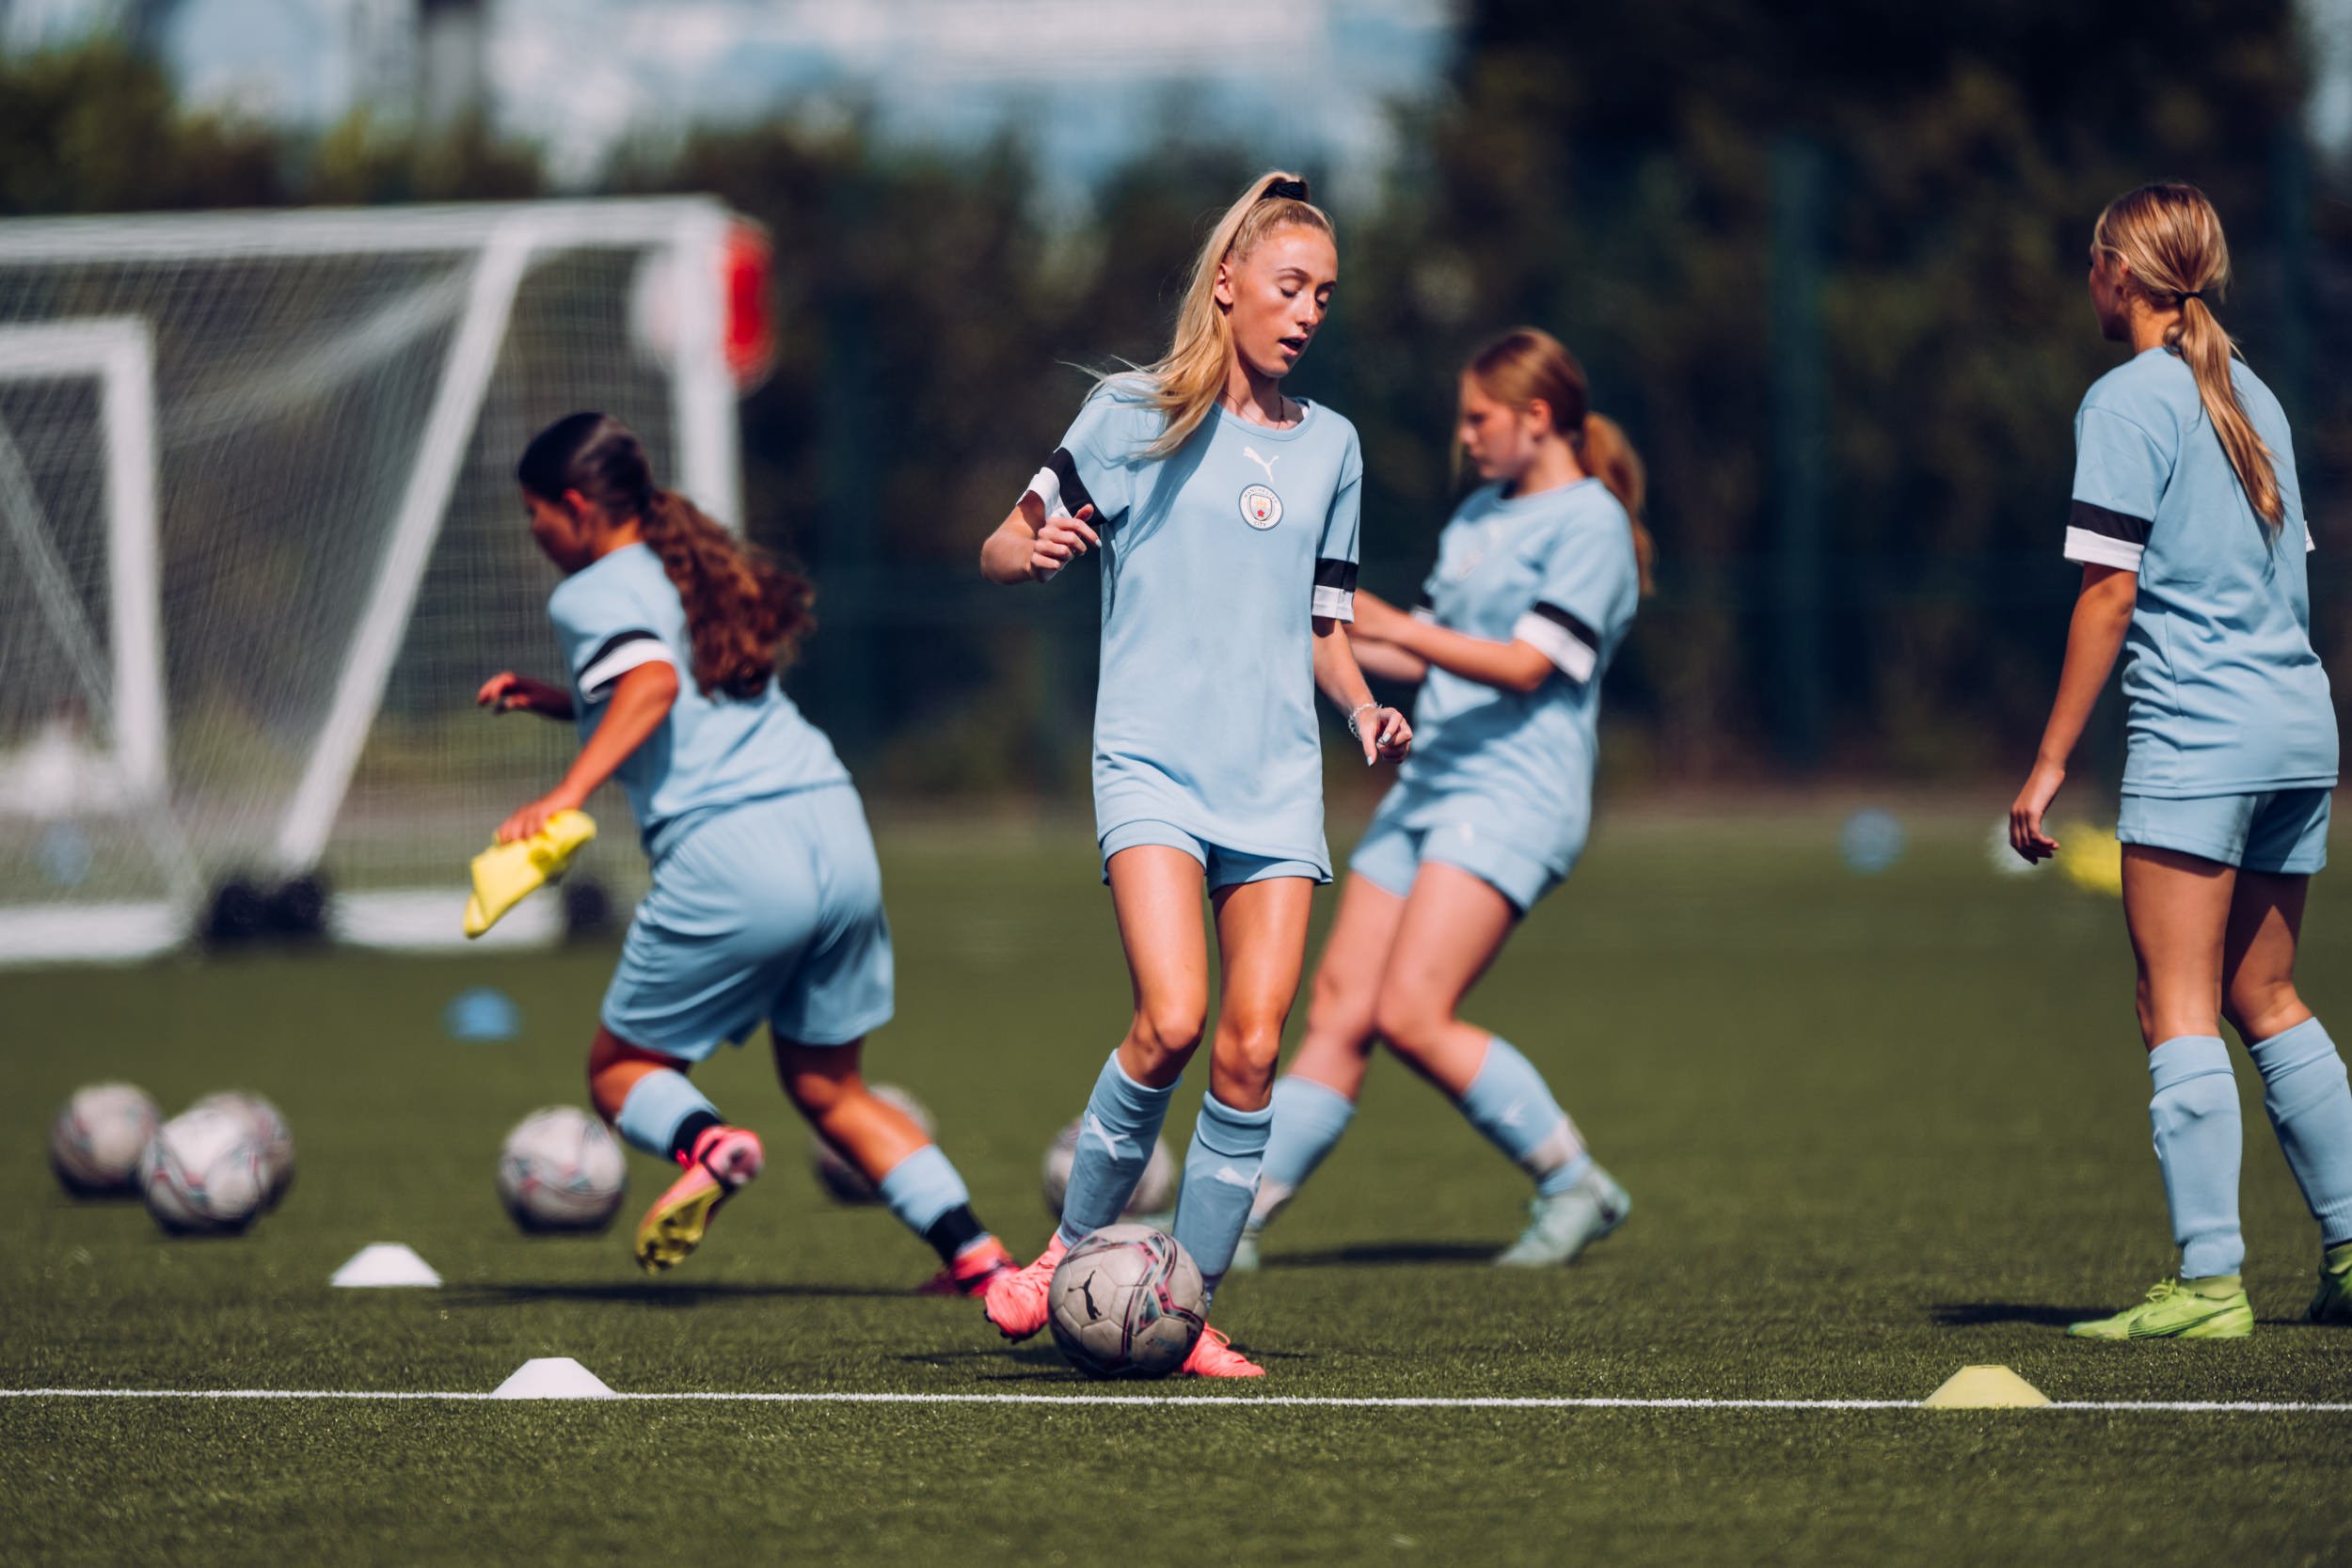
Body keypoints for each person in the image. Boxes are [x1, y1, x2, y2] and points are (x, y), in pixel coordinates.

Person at [975, 171, 1411, 1376]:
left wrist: (1367, 708)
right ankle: (1062, 1256)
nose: (1309, 309)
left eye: (1325, 292)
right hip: (1152, 765)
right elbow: (1000, 540)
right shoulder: (1128, 413)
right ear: (1227, 284)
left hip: (1274, 781)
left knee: (1253, 1047)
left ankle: (1187, 1304)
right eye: (1289, 284)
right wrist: (1039, 548)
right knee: (1171, 1019)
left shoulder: (1333, 445)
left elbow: (1327, 626)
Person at [482, 412, 1015, 1294]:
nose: (533, 532)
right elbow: (679, 691)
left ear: (575, 508)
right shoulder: (686, 565)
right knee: (830, 1088)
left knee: (621, 1069)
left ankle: (709, 1144)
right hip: (833, 830)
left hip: (734, 852)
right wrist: (555, 699)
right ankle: (981, 1258)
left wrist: (564, 795)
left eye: (533, 513)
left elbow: (650, 685)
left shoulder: (589, 590)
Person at [2009, 182, 2352, 1338]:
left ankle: (2208, 1282)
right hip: (2300, 727)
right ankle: (2351, 1253)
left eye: (2090, 261)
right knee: (2268, 993)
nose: (2086, 280)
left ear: (2120, 273)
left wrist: (2049, 761)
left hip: (2201, 734)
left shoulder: (2126, 397)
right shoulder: (2251, 392)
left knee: (2178, 1002)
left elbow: (2108, 593)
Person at [1233, 327, 1649, 1272]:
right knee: (1338, 1006)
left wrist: (1384, 619)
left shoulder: (1590, 523)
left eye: (1479, 418)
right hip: (1430, 780)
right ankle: (1238, 1218)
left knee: (1413, 1010)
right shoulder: (1474, 522)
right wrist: (1308, 630)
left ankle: (1572, 1179)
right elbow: (1404, 651)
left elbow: (1524, 664)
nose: (1465, 437)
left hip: (1513, 791)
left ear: (1536, 418)